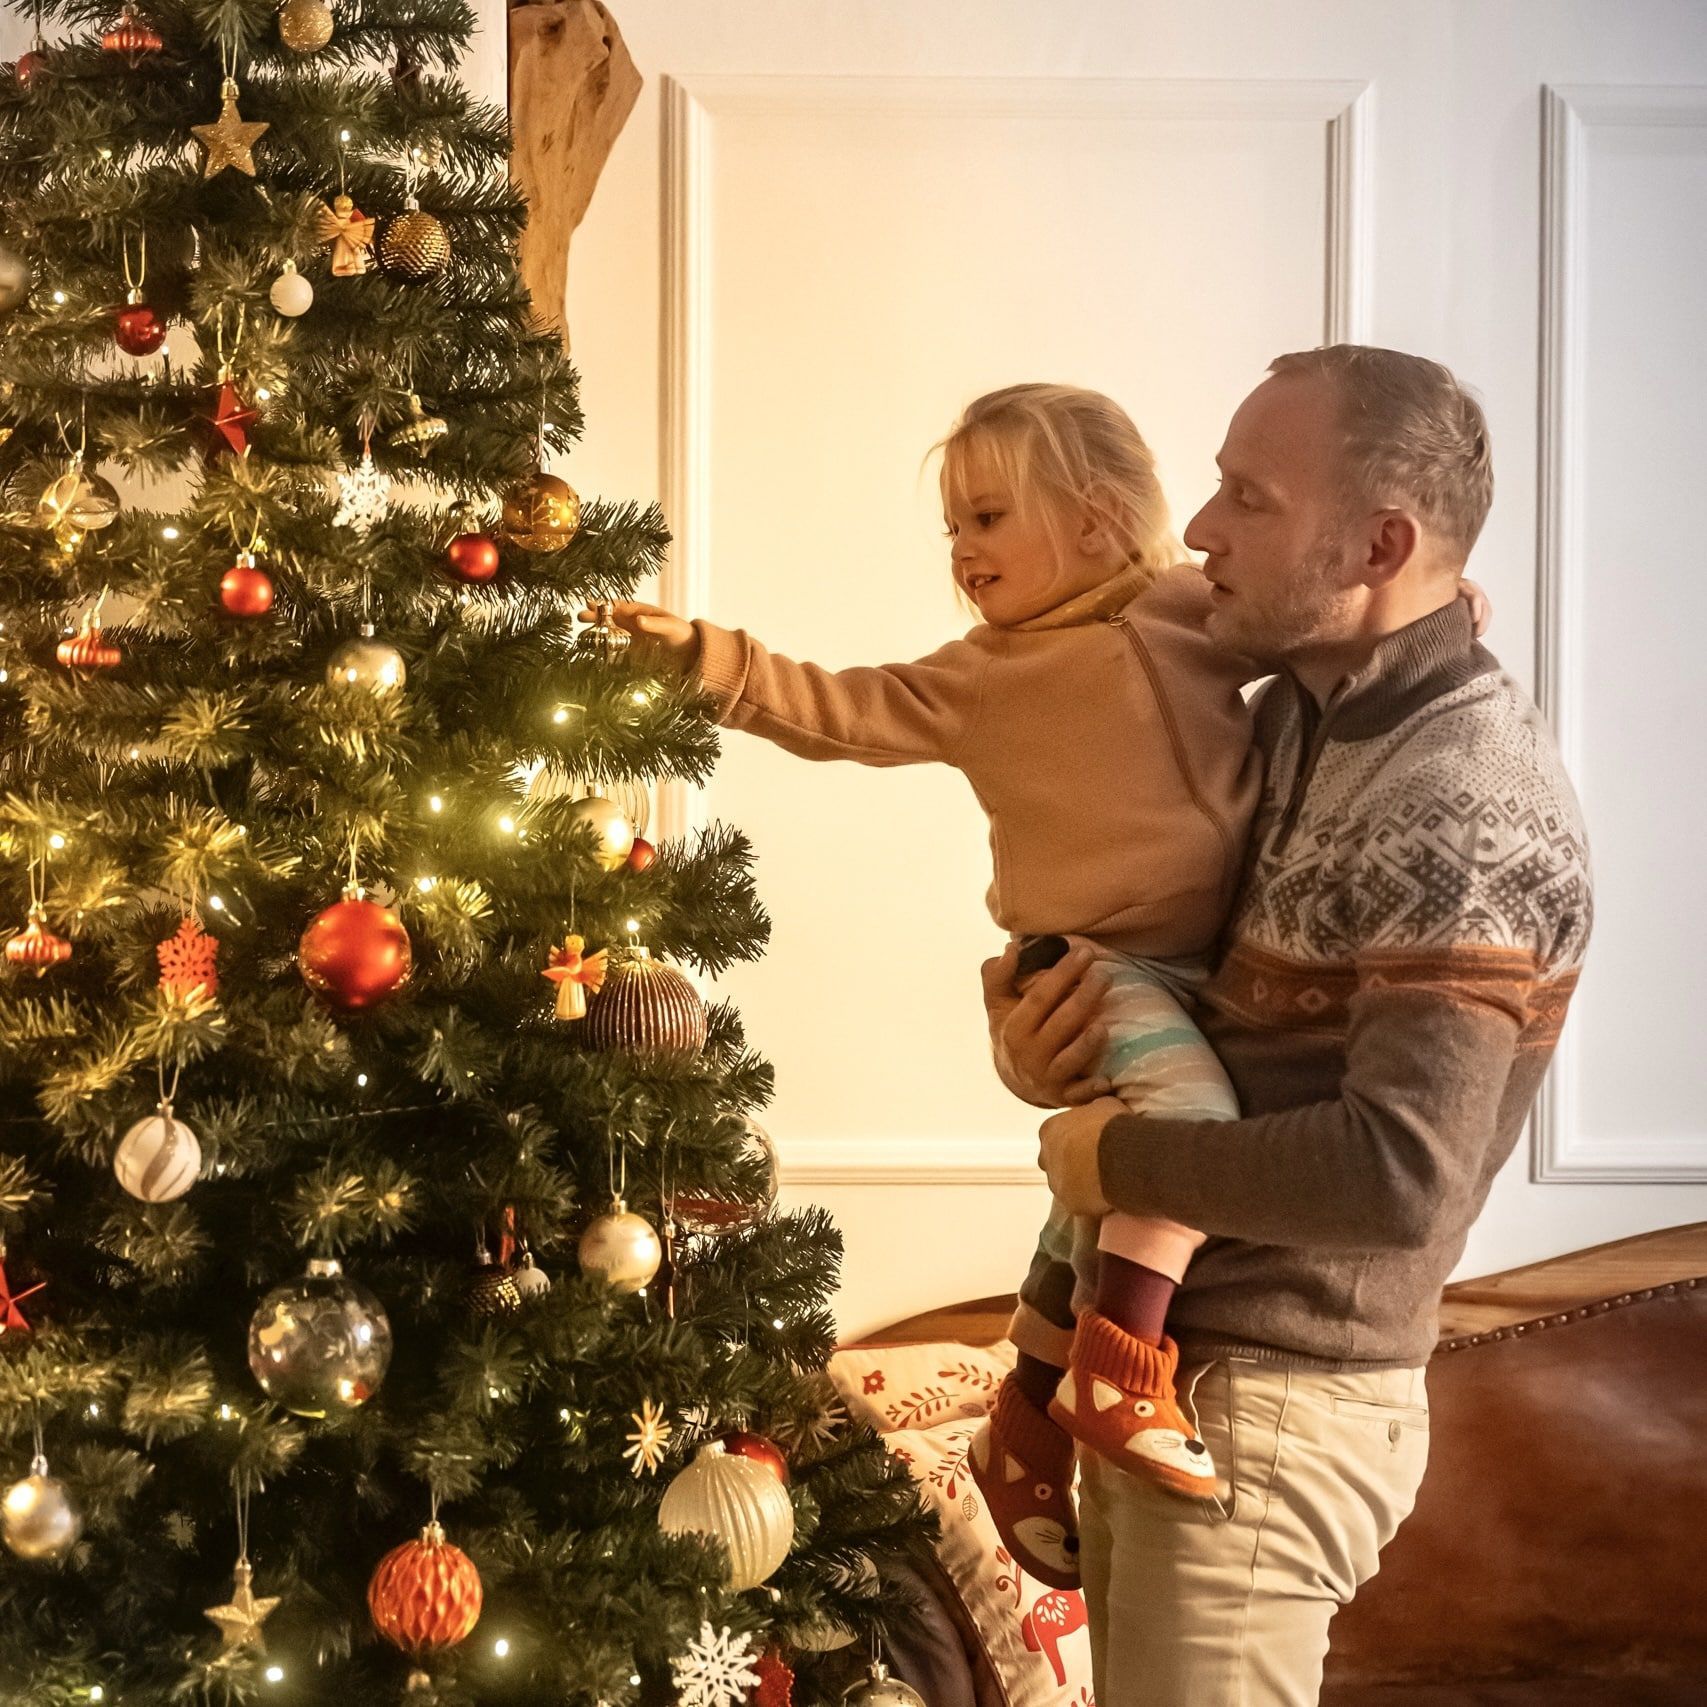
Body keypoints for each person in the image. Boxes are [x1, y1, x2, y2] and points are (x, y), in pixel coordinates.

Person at [983, 345, 1592, 1706]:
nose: (1197, 529)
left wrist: (1110, 1166)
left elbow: (1399, 1171)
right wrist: (1042, 1046)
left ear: (1379, 542)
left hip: (1268, 1408)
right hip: (1156, 1372)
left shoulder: (1460, 793)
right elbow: (1178, 1007)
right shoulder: (1286, 720)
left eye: (1245, 497)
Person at [592, 383, 1278, 1588]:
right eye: (952, 526)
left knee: (1092, 1208)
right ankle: (1120, 1369)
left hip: (1199, 975)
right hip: (1092, 967)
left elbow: (1310, 639)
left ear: (1101, 519)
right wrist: (712, 659)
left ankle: (1020, 1420)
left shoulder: (1197, 613)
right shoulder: (985, 674)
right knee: (1189, 1133)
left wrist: (1444, 613)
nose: (960, 551)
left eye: (987, 518)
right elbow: (846, 709)